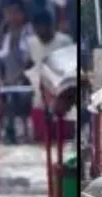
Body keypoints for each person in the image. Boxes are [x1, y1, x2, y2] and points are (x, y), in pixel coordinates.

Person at [0, 0, 33, 144]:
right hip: (4, 78)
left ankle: (25, 134)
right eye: (9, 12)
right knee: (3, 100)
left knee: (22, 102)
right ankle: (6, 132)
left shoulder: (30, 33)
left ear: (23, 13)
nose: (13, 16)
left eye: (16, 12)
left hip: (26, 78)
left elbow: (32, 58)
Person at [27, 10, 74, 142]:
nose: (40, 31)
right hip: (40, 97)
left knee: (63, 139)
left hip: (62, 95)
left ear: (50, 25)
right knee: (42, 140)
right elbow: (29, 64)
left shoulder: (64, 41)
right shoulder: (31, 43)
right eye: (37, 27)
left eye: (43, 26)